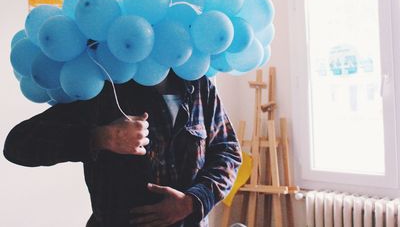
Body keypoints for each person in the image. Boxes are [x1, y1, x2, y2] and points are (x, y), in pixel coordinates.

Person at [3, 67, 242, 227]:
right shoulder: (105, 85)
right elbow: (18, 144)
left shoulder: (199, 84)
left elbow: (227, 151)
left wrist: (193, 201)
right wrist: (99, 137)